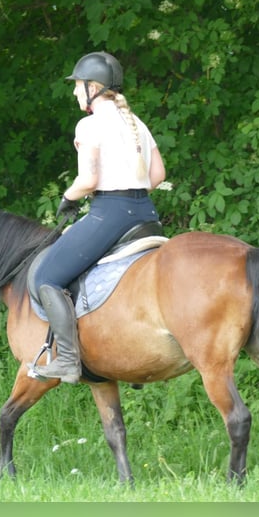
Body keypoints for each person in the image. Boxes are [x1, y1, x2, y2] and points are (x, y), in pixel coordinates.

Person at [29, 51, 166, 384]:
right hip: (146, 214)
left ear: (93, 87)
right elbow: (158, 175)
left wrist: (68, 197)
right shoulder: (138, 125)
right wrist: (129, 186)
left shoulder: (89, 125)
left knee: (46, 277)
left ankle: (68, 362)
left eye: (77, 86)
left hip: (111, 215)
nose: (75, 92)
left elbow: (88, 181)